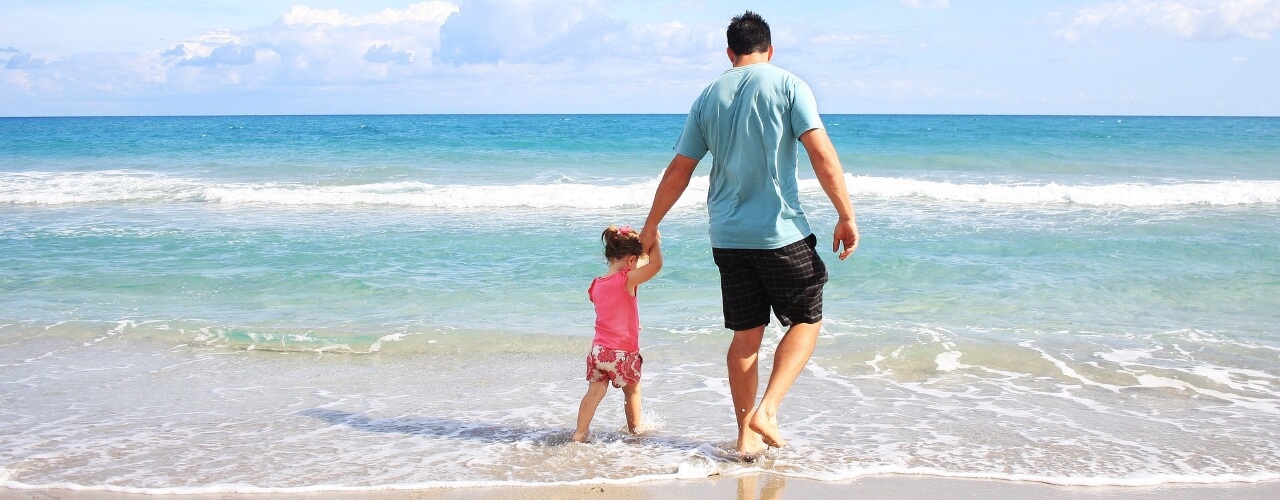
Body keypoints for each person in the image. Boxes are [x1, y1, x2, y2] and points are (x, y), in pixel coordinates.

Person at [638, 11, 859, 458]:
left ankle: (745, 437)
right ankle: (768, 411)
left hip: (727, 235)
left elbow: (681, 168)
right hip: (778, 233)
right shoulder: (788, 85)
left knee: (745, 336)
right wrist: (845, 214)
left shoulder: (708, 96)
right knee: (807, 318)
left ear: (729, 53)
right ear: (769, 49)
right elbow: (820, 153)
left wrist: (651, 224)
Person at [572, 225, 664, 443]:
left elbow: (612, 310)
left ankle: (579, 433)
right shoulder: (626, 280)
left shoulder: (596, 285)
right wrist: (655, 242)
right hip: (623, 353)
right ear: (631, 262)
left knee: (594, 393)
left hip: (598, 352)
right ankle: (635, 431)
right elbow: (656, 264)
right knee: (632, 391)